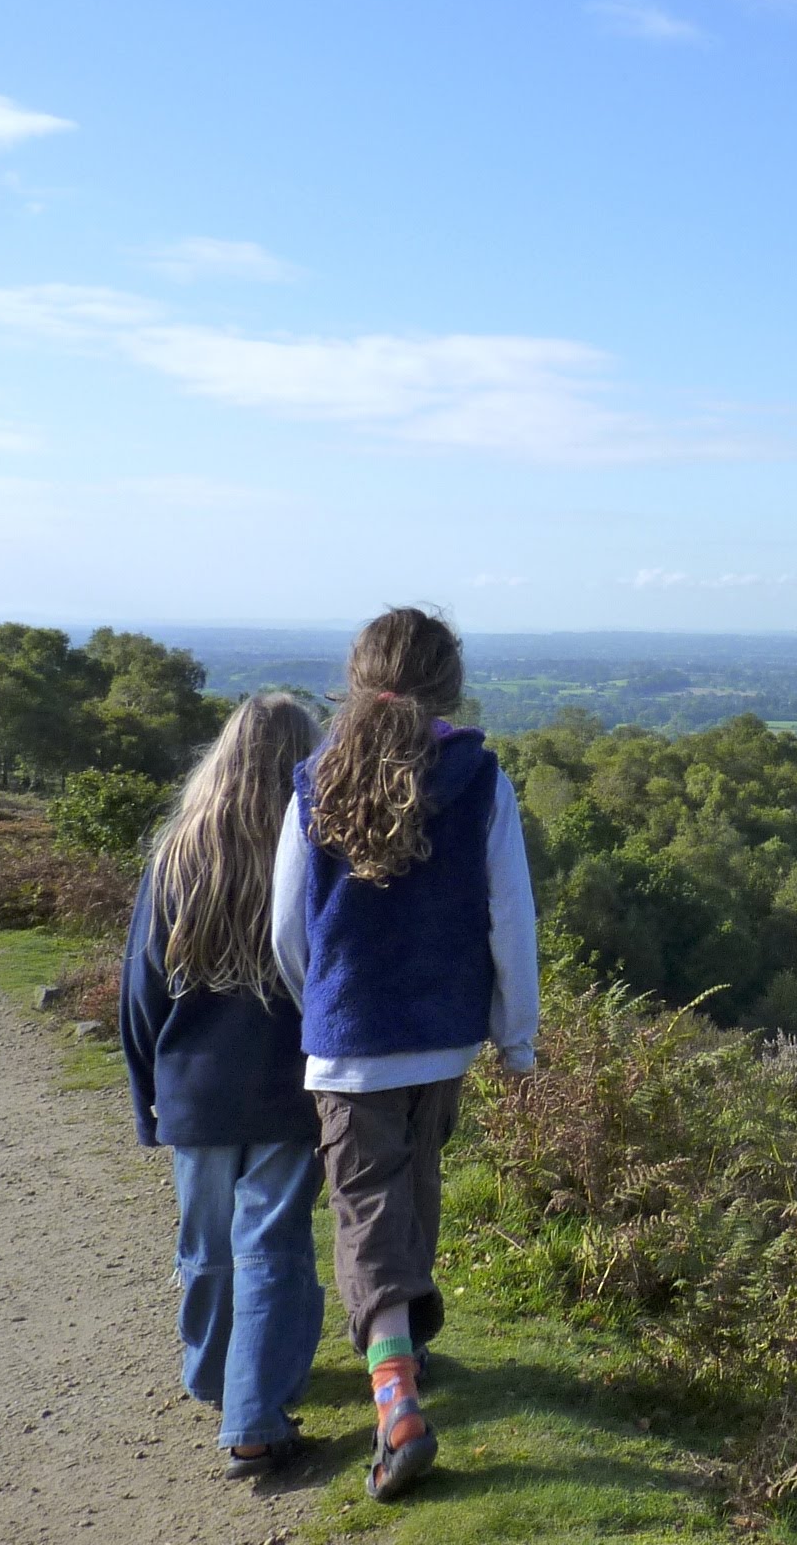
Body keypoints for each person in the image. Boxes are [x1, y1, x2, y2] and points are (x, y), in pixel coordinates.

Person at [272, 608, 539, 1502]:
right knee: (415, 1187)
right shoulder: (479, 777)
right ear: (449, 684)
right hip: (444, 1031)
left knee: (365, 1207)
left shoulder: (315, 779)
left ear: (359, 678)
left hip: (351, 1041)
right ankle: (410, 1353)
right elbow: (512, 920)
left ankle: (395, 1396)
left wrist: (327, 1004)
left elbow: (287, 929)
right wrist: (517, 1036)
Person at [120, 692, 326, 1478]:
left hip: (193, 1090)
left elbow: (139, 992)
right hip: (287, 1085)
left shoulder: (178, 851)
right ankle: (254, 1415)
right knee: (272, 1245)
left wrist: (147, 1098)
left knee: (206, 1246)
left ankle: (214, 1377)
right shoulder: (310, 849)